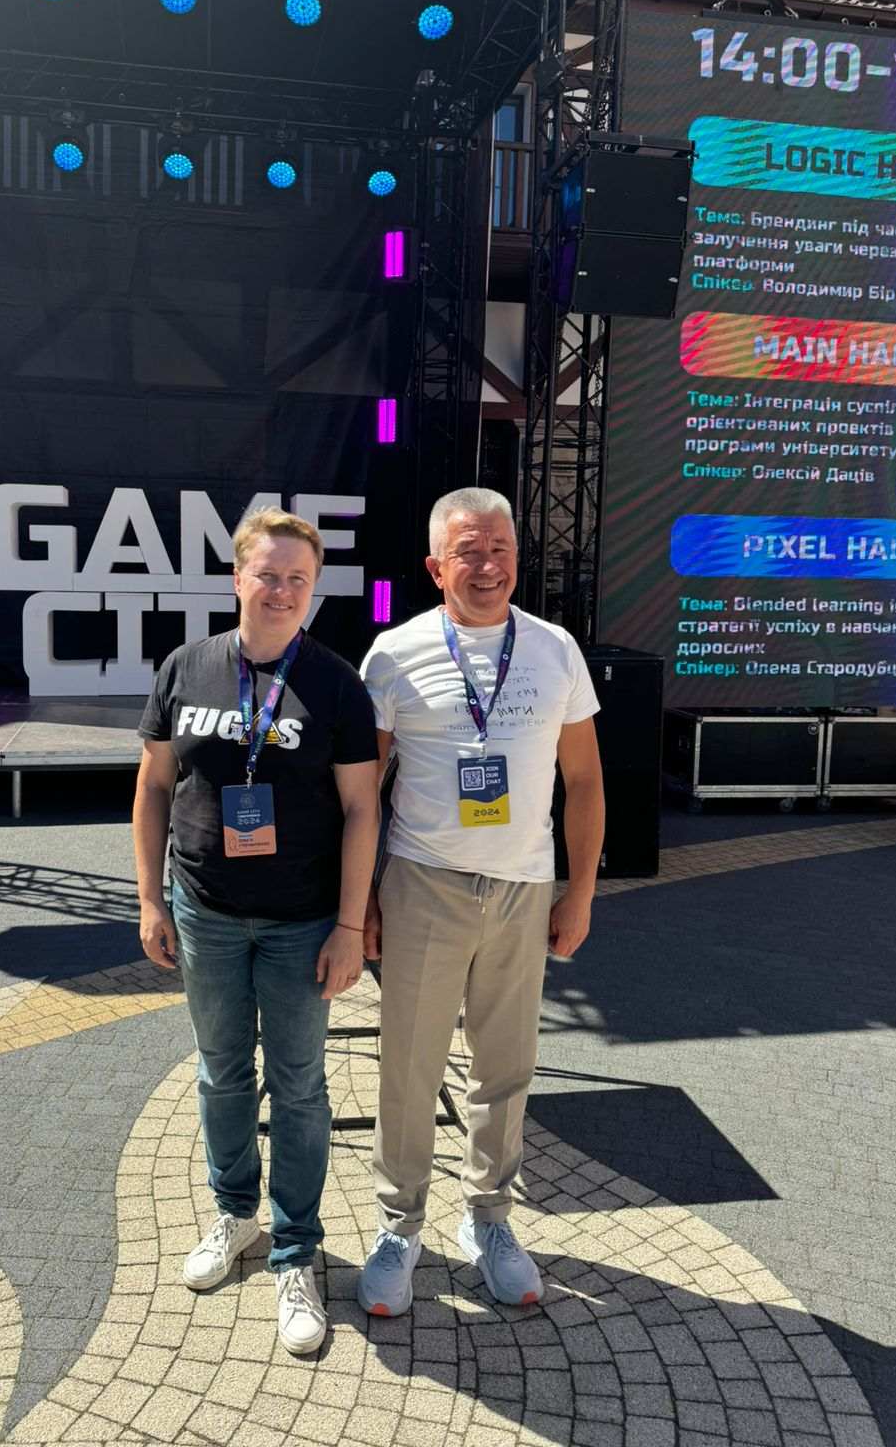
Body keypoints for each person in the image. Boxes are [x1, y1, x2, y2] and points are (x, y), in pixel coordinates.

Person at [133, 507, 380, 1354]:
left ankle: (296, 1250)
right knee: (222, 1072)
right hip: (204, 911)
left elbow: (361, 809)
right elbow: (154, 788)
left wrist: (350, 924)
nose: (281, 591)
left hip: (301, 922)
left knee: (300, 1085)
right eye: (267, 575)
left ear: (314, 589)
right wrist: (151, 899)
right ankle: (236, 1214)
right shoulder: (186, 667)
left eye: (297, 579)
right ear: (237, 578)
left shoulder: (337, 684)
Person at [356, 486, 604, 1314]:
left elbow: (584, 781)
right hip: (423, 882)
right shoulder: (394, 654)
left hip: (524, 888)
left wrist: (580, 892)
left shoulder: (556, 650)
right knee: (410, 1064)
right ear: (436, 567)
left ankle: (490, 1218)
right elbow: (362, 791)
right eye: (469, 551)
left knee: (506, 1066)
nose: (488, 566)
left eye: (501, 549)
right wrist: (363, 900)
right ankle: (399, 1225)